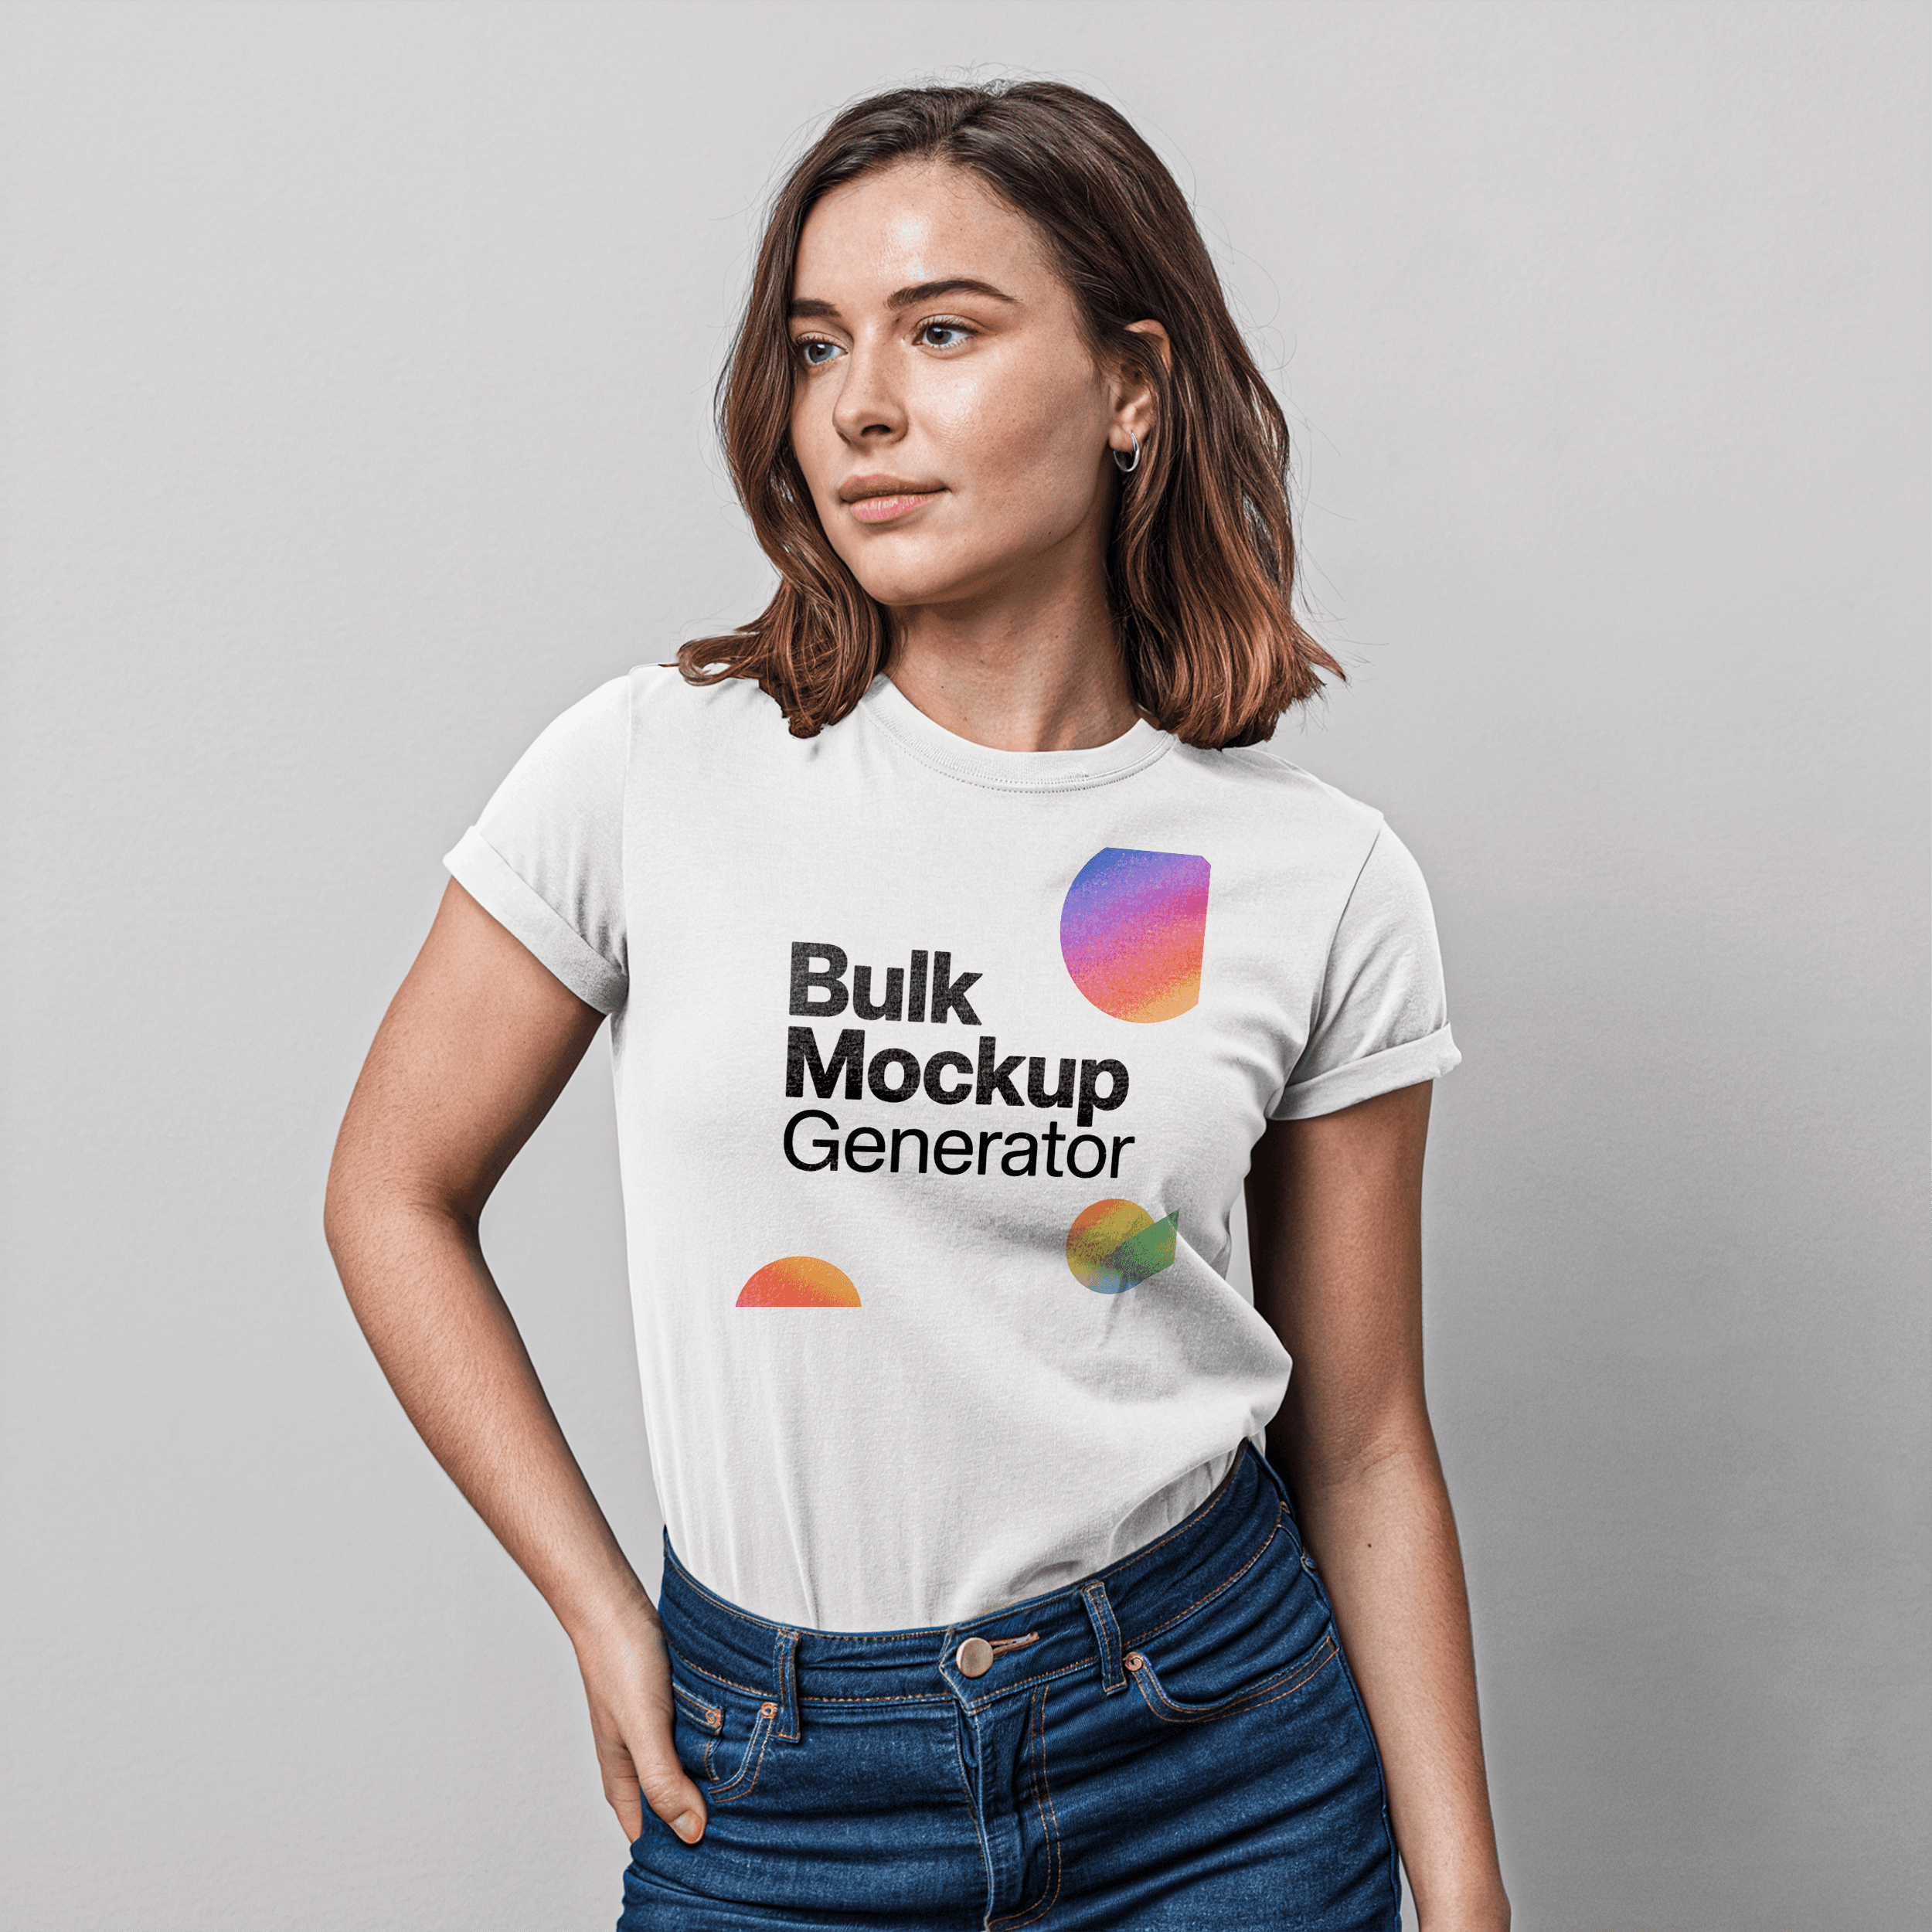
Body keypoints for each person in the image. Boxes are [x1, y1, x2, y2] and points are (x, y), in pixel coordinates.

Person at [325, 79, 1511, 1932]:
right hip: (777, 1775)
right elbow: (389, 1187)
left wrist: (1465, 1896)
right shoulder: (649, 768)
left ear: (1130, 387)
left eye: (940, 331)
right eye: (817, 346)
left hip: (1209, 1756)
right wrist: (595, 1602)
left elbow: (1361, 1442)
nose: (858, 406)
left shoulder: (1317, 877)